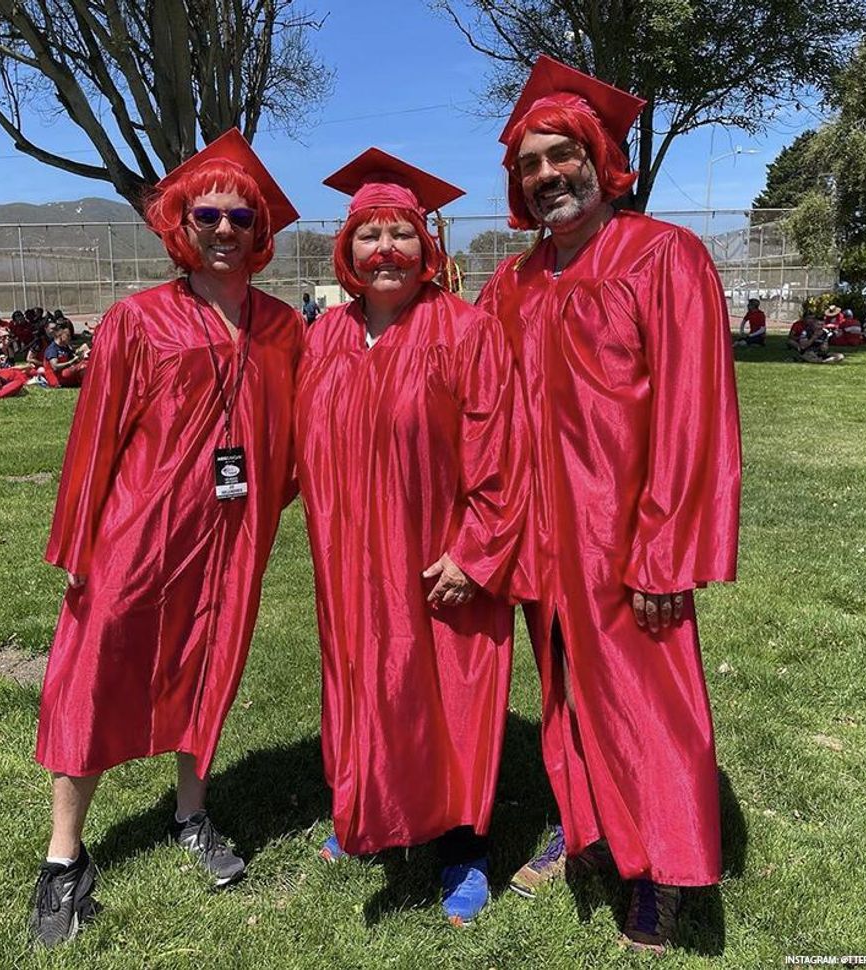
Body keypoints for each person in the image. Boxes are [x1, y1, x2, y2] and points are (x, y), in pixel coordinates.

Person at [477, 56, 742, 954]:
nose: (548, 174)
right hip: (543, 541)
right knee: (566, 696)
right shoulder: (510, 286)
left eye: (564, 155)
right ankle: (585, 829)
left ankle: (664, 873)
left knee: (650, 703)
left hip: (629, 538)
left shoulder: (665, 257)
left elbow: (695, 413)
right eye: (531, 163)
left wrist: (668, 550)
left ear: (600, 159)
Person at [29, 129, 303, 947]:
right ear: (182, 225)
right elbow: (94, 441)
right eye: (208, 214)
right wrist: (78, 545)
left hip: (232, 535)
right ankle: (64, 859)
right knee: (94, 672)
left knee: (210, 665)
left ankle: (192, 813)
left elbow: (306, 435)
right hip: (138, 532)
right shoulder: (137, 321)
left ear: (262, 233)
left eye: (241, 217)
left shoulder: (286, 329)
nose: (225, 229)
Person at [295, 149, 531, 925]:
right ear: (346, 249)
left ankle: (461, 846)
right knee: (363, 680)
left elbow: (503, 453)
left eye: (401, 233)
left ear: (427, 248)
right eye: (370, 235)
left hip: (438, 557)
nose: (386, 250)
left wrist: (476, 549)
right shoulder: (325, 336)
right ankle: (365, 810)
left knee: (449, 694)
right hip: (349, 559)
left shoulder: (466, 332)